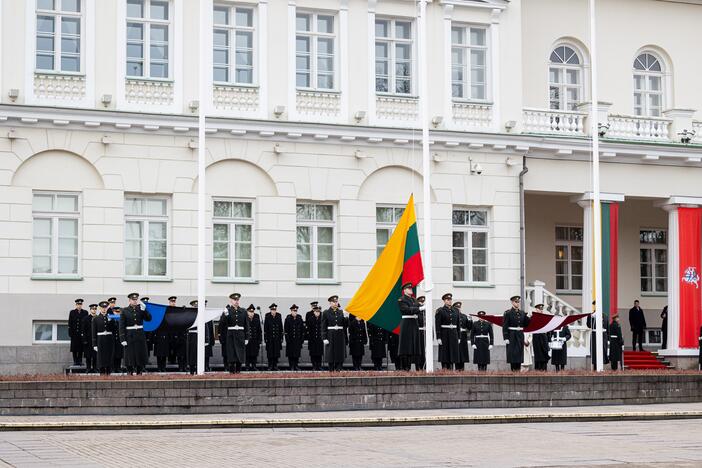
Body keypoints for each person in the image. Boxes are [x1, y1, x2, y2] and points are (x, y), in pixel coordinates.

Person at [119, 292, 152, 375]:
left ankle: (139, 370)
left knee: (140, 353)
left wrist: (144, 310)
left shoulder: (140, 309)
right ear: (129, 300)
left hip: (140, 335)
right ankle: (129, 370)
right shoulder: (124, 310)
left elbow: (149, 319)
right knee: (130, 354)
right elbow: (121, 326)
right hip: (129, 335)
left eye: (136, 299)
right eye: (133, 300)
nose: (134, 301)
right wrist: (122, 338)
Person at [398, 283, 423, 371]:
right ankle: (406, 368)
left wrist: (422, 306)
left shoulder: (414, 299)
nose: (411, 289)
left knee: (415, 346)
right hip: (407, 323)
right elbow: (406, 309)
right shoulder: (401, 299)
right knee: (406, 346)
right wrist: (419, 309)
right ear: (404, 290)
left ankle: (418, 368)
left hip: (414, 323)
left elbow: (418, 308)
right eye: (409, 288)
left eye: (411, 288)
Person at [186, 300, 214, 375]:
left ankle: (200, 370)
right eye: (195, 307)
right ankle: (192, 370)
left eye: (197, 307)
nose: (196, 308)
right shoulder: (189, 315)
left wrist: (207, 339)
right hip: (191, 337)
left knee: (201, 356)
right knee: (192, 355)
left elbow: (206, 328)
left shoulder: (202, 315)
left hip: (200, 336)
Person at [503, 295, 530, 372]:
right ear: (512, 302)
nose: (517, 303)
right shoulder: (508, 313)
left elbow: (526, 325)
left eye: (518, 302)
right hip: (512, 335)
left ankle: (518, 370)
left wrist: (527, 317)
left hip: (519, 335)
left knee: (519, 353)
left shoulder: (522, 313)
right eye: (516, 302)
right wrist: (506, 338)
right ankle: (513, 370)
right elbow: (505, 326)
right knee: (512, 353)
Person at [222, 293, 248, 373]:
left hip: (240, 335)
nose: (236, 301)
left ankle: (238, 371)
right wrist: (225, 315)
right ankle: (232, 372)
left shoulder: (243, 311)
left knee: (240, 354)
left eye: (237, 300)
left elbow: (246, 325)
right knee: (231, 354)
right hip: (231, 335)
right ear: (231, 301)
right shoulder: (228, 311)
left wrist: (247, 337)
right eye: (234, 300)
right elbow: (223, 324)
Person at [321, 295, 347, 371]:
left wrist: (345, 317)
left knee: (339, 353)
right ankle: (331, 370)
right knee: (330, 354)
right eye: (334, 302)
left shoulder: (341, 312)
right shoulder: (326, 312)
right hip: (330, 335)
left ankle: (339, 369)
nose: (335, 303)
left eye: (336, 302)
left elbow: (346, 325)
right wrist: (324, 337)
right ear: (330, 303)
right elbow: (323, 326)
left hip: (340, 335)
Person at [435, 293, 460, 370]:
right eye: (447, 300)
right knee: (444, 353)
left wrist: (459, 337)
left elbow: (458, 324)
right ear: (444, 301)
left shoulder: (455, 310)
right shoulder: (440, 311)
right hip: (444, 334)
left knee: (453, 353)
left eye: (450, 300)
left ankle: (451, 369)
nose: (449, 301)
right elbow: (437, 325)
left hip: (453, 334)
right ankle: (445, 369)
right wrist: (438, 337)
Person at [92, 301, 115, 375]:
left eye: (105, 308)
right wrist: (94, 344)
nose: (104, 309)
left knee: (109, 356)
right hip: (100, 340)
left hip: (109, 339)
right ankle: (102, 372)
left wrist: (110, 321)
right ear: (100, 308)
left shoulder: (110, 317)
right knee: (101, 357)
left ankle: (108, 372)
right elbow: (93, 332)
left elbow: (114, 329)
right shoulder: (96, 319)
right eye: (102, 308)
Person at [154, 296, 176, 372]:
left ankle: (163, 367)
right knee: (159, 356)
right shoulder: (157, 322)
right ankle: (159, 367)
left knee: (164, 355)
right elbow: (154, 331)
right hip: (159, 340)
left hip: (166, 340)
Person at [284, 304, 305, 371]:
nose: (295, 312)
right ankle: (291, 366)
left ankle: (296, 365)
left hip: (297, 340)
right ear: (291, 311)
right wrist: (287, 340)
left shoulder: (299, 318)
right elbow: (286, 331)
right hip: (290, 340)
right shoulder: (288, 319)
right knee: (291, 354)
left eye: (296, 311)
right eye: (293, 311)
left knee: (297, 354)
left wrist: (302, 339)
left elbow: (302, 330)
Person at [264, 303, 284, 371]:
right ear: (270, 310)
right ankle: (270, 365)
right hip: (270, 338)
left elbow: (281, 327)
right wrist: (265, 338)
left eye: (274, 310)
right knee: (270, 353)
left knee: (276, 352)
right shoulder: (267, 316)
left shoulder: (279, 315)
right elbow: (265, 328)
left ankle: (275, 365)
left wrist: (281, 337)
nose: (273, 311)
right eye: (272, 310)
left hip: (277, 338)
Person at [531, 304, 550, 371]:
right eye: (539, 309)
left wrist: (549, 340)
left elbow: (549, 329)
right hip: (537, 338)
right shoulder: (533, 318)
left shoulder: (545, 318)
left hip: (544, 338)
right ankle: (538, 370)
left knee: (544, 353)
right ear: (536, 309)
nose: (541, 310)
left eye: (542, 309)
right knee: (538, 355)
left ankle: (544, 369)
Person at [68, 299, 87, 366]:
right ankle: (75, 361)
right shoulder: (72, 312)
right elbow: (70, 323)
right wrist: (70, 333)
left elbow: (86, 324)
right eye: (78, 304)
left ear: (82, 305)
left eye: (80, 304)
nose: (79, 306)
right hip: (74, 334)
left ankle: (80, 361)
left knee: (81, 348)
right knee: (74, 348)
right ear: (76, 305)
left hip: (82, 334)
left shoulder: (85, 312)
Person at [305, 304, 324, 371]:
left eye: (318, 312)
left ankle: (319, 366)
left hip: (319, 339)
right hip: (312, 339)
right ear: (314, 312)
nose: (317, 313)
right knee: (313, 354)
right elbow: (308, 330)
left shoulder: (322, 319)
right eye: (316, 312)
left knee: (319, 354)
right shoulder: (310, 319)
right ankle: (314, 366)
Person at [107, 300, 123, 372]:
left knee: (119, 355)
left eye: (118, 312)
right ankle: (112, 368)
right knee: (112, 354)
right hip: (112, 340)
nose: (117, 313)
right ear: (113, 312)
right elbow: (108, 328)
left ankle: (118, 368)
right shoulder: (111, 320)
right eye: (115, 312)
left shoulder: (121, 321)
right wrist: (110, 321)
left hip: (119, 340)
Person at [245, 305, 262, 371]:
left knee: (254, 354)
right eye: (250, 312)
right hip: (248, 340)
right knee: (247, 354)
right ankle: (247, 366)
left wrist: (259, 340)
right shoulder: (245, 320)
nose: (251, 313)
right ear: (247, 312)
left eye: (252, 312)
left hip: (255, 340)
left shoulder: (256, 320)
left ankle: (254, 366)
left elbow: (259, 331)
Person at [456, 302, 472, 371]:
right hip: (456, 335)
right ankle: (456, 369)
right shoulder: (453, 315)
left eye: (459, 307)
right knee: (456, 353)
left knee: (462, 353)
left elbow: (469, 327)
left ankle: (462, 369)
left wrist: (470, 320)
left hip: (463, 336)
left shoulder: (464, 316)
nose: (458, 309)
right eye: (457, 307)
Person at [82, 304, 98, 373]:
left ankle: (95, 368)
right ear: (90, 310)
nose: (94, 310)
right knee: (88, 355)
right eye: (92, 309)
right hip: (88, 340)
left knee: (95, 355)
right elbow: (83, 330)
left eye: (95, 309)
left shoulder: (98, 318)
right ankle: (88, 368)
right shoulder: (86, 318)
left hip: (96, 339)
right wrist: (84, 339)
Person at [416, 296, 426, 370]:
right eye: (420, 302)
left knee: (425, 351)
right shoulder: (417, 311)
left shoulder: (425, 312)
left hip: (425, 333)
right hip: (418, 333)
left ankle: (425, 366)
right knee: (419, 351)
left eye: (423, 302)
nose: (422, 304)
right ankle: (418, 367)